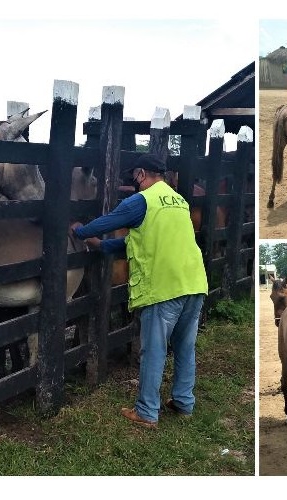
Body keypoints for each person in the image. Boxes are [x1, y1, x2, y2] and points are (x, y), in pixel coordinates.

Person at [70, 153, 208, 429]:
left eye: (135, 177)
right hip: (194, 284)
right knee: (184, 348)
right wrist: (102, 246)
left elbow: (107, 222)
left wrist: (82, 230)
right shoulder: (179, 201)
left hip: (164, 288)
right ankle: (183, 402)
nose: (134, 182)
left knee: (153, 351)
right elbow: (140, 241)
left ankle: (146, 411)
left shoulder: (142, 200)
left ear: (142, 174)